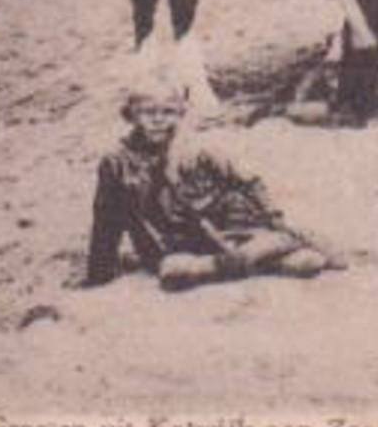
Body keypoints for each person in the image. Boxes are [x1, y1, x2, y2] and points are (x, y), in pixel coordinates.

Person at [84, 73, 329, 290]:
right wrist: (99, 270)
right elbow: (106, 215)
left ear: (180, 114)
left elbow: (247, 181)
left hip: (221, 229)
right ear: (132, 116)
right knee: (173, 268)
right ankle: (243, 260)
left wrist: (274, 218)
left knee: (308, 263)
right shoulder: (116, 161)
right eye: (148, 112)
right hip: (170, 242)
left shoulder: (195, 148)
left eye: (168, 112)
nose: (158, 120)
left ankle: (240, 258)